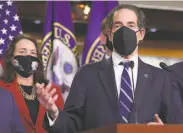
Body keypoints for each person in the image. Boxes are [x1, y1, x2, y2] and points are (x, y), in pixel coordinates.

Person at [36, 4, 183, 133]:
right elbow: (72, 125)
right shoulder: (87, 74)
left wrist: (165, 130)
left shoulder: (161, 78)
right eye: (118, 26)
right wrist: (54, 112)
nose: (124, 31)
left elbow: (176, 125)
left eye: (131, 25)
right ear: (110, 35)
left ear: (141, 34)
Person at [0, 34, 64, 133]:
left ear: (38, 60)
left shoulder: (51, 90)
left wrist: (54, 113)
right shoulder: (2, 88)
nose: (28, 56)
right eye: (22, 51)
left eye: (33, 53)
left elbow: (66, 128)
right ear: (12, 59)